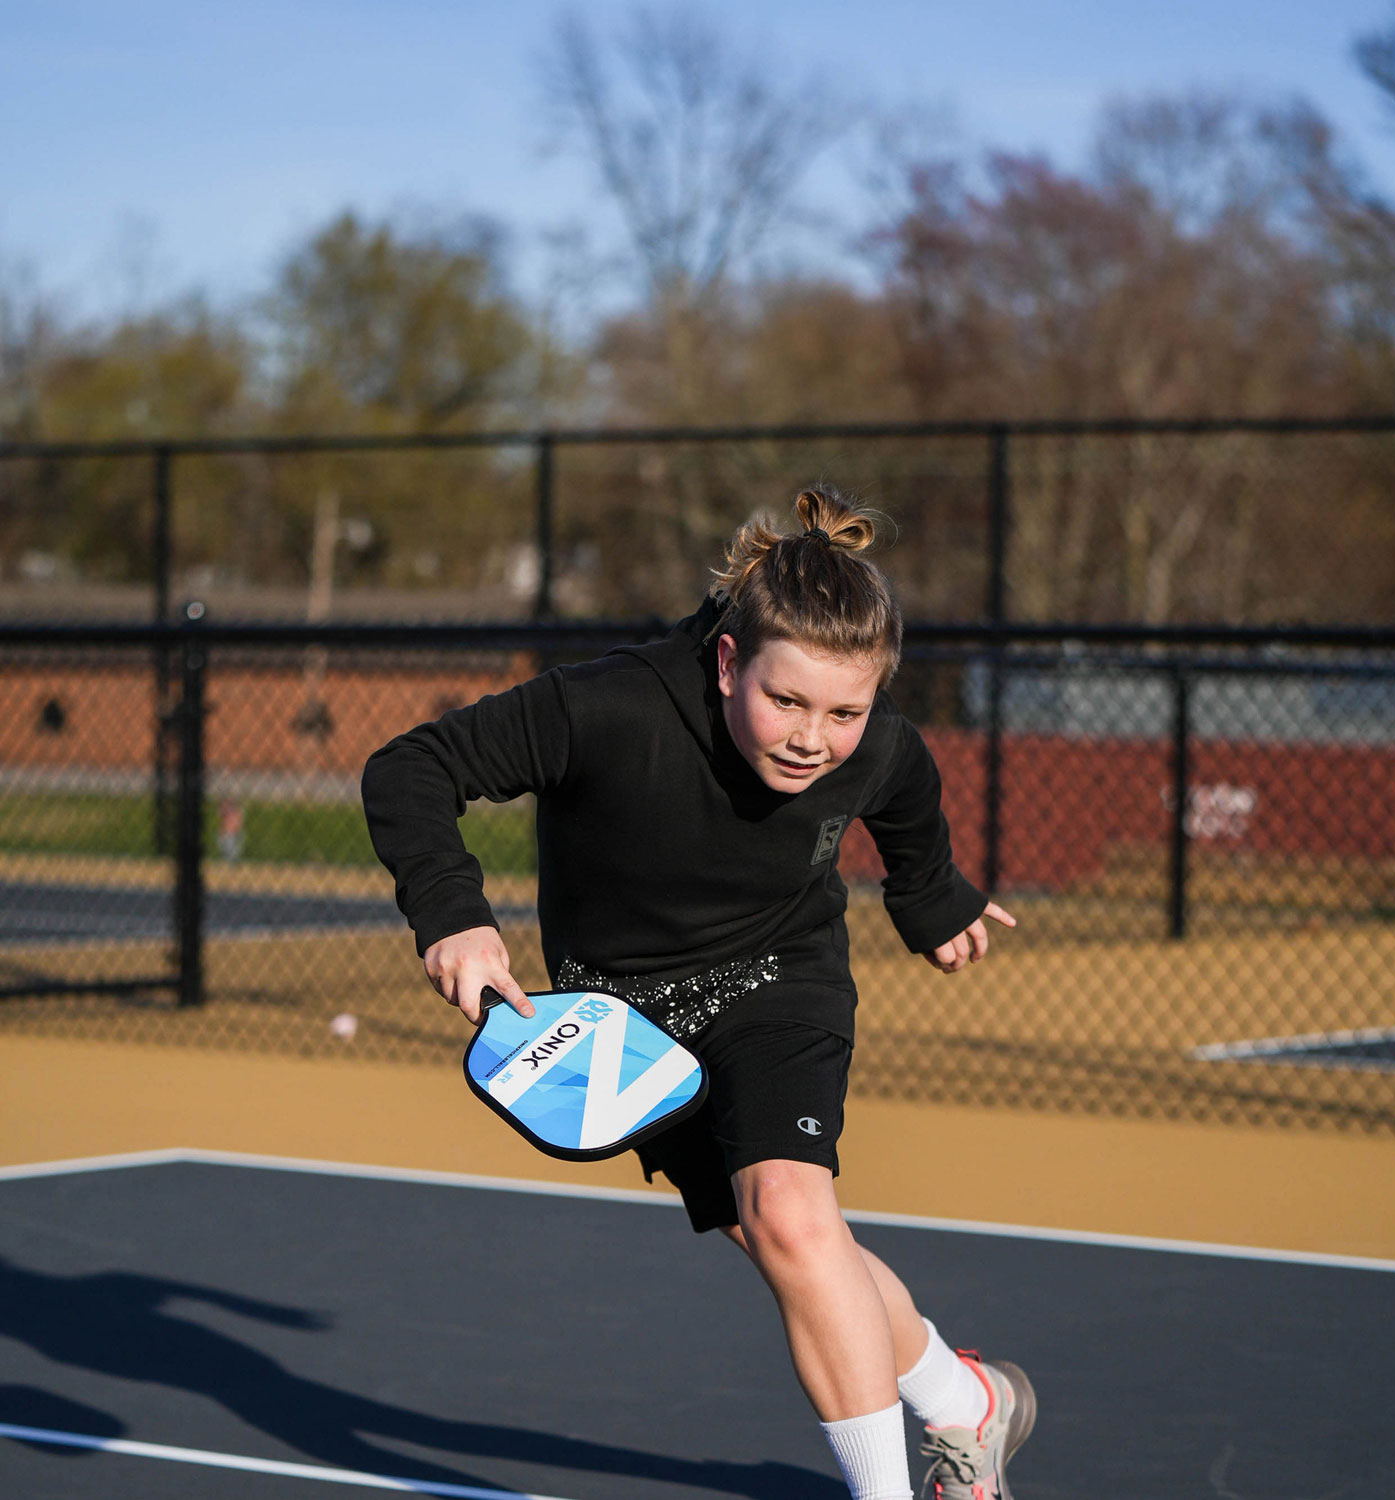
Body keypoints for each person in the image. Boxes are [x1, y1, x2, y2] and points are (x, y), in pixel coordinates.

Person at [362, 487, 1035, 1500]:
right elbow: (412, 768)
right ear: (728, 663)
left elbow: (900, 787)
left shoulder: (874, 741)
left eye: (844, 711)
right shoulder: (609, 707)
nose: (815, 737)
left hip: (779, 979)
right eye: (788, 702)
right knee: (790, 1241)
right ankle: (961, 1401)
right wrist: (453, 913)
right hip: (627, 1025)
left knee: (792, 1214)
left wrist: (931, 897)